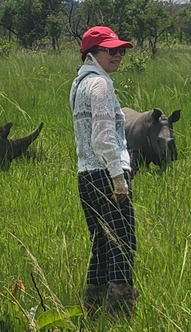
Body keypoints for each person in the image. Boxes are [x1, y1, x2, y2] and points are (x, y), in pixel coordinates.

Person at [69, 25, 138, 316]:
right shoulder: (100, 84)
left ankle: (93, 309)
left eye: (120, 50)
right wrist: (118, 176)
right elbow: (103, 136)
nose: (118, 55)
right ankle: (120, 314)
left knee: (101, 244)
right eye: (111, 50)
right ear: (92, 53)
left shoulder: (79, 83)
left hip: (86, 175)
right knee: (122, 244)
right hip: (106, 174)